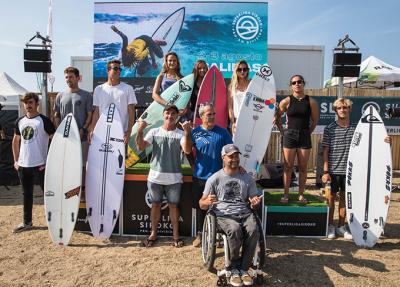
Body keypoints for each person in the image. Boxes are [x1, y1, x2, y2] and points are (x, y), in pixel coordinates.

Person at [322, 98, 391, 239]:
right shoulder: (329, 128)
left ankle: (341, 227)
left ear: (349, 109)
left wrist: (385, 142)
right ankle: (330, 226)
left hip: (351, 172)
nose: (342, 110)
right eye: (340, 108)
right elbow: (325, 151)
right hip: (334, 171)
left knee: (345, 200)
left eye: (345, 107)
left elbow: (370, 144)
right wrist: (325, 171)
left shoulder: (357, 128)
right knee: (330, 199)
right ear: (336, 110)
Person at [199, 144, 262, 287]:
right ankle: (233, 268)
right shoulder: (214, 179)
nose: (235, 159)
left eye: (237, 155)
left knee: (253, 230)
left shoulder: (247, 178)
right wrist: (207, 201)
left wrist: (255, 201)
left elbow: (253, 200)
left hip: (245, 213)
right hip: (224, 215)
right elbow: (201, 204)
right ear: (223, 158)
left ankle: (244, 268)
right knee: (234, 230)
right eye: (231, 156)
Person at [135, 105, 192, 247]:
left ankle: (176, 236)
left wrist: (187, 133)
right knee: (155, 205)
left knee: (173, 206)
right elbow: (140, 147)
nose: (170, 116)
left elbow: (187, 150)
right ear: (163, 115)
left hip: (174, 179)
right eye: (167, 113)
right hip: (154, 178)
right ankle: (153, 234)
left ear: (177, 116)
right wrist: (140, 130)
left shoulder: (180, 133)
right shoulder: (154, 132)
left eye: (173, 113)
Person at [186, 103, 233, 247]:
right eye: (208, 114)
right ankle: (200, 235)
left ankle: (219, 235)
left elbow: (230, 151)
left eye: (213, 114)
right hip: (200, 177)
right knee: (202, 207)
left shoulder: (223, 132)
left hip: (220, 178)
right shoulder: (195, 133)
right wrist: (187, 132)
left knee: (220, 207)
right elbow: (187, 150)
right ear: (201, 116)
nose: (212, 116)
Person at [12, 93, 56, 233]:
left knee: (49, 194)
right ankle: (27, 222)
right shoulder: (19, 121)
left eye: (30, 102)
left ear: (37, 103)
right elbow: (15, 141)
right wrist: (16, 161)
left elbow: (54, 141)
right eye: (26, 103)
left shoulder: (44, 121)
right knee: (27, 194)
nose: (28, 105)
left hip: (41, 165)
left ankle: (55, 222)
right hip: (24, 165)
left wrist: (49, 161)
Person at [274, 75, 319, 204]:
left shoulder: (311, 102)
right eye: (294, 82)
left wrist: (307, 132)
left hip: (304, 135)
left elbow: (315, 120)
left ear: (303, 84)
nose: (297, 84)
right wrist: (283, 132)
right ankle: (286, 194)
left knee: (303, 167)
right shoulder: (286, 101)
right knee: (288, 167)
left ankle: (301, 195)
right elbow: (277, 118)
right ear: (291, 85)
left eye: (299, 82)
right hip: (290, 136)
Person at [53, 67, 92, 186]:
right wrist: (60, 131)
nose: (68, 79)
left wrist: (83, 129)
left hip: (82, 137)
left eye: (71, 77)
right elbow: (56, 115)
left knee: (82, 165)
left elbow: (90, 115)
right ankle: (69, 190)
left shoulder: (86, 95)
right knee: (67, 165)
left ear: (77, 78)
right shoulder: (60, 96)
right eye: (66, 77)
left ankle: (83, 190)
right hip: (66, 138)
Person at [90, 59, 137, 144]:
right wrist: (92, 129)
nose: (118, 71)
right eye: (115, 68)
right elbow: (96, 112)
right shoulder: (98, 89)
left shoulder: (128, 88)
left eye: (120, 69)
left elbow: (131, 111)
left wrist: (129, 131)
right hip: (102, 133)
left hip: (121, 134)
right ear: (108, 70)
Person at [228, 60, 251, 135]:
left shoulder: (252, 85)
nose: (242, 71)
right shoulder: (231, 87)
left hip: (250, 119)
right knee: (236, 146)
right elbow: (230, 107)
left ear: (247, 71)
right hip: (237, 120)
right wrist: (233, 123)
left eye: (245, 69)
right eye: (239, 69)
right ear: (236, 71)